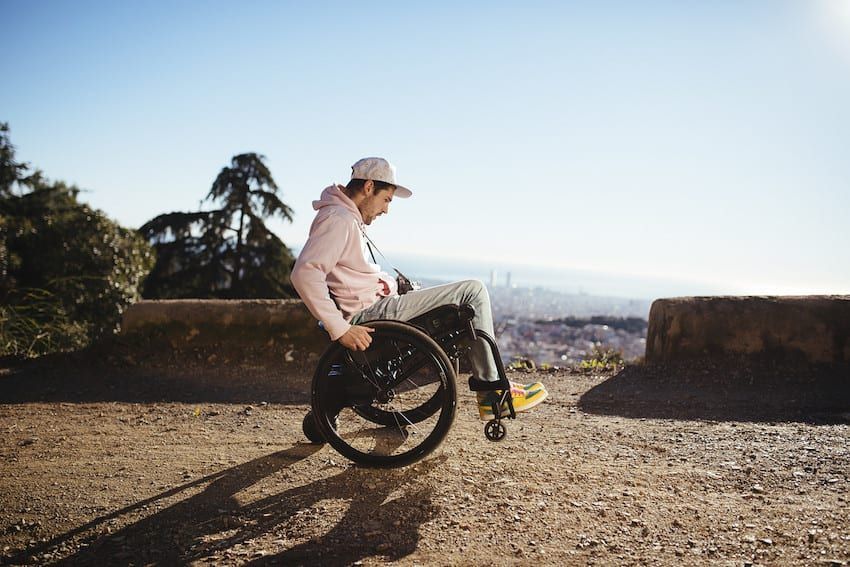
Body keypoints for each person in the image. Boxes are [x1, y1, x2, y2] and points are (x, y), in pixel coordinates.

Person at [291, 157, 548, 419]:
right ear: (369, 187)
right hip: (371, 315)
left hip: (375, 306)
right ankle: (493, 393)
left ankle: (493, 391)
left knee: (455, 297)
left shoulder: (343, 216)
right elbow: (305, 273)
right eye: (387, 199)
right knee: (474, 291)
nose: (386, 210)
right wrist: (340, 329)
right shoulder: (339, 219)